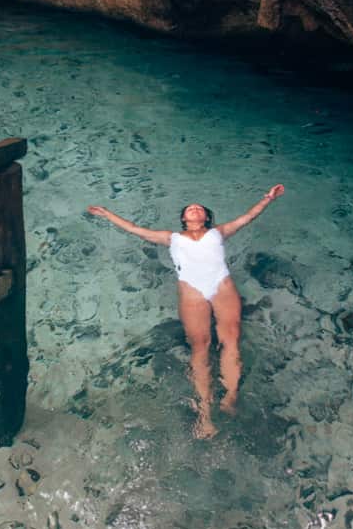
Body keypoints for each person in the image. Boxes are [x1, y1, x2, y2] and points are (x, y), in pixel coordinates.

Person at [87, 185, 285, 438]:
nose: (195, 208)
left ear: (206, 218)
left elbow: (247, 218)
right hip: (192, 292)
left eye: (199, 208)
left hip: (222, 286)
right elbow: (136, 230)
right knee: (200, 346)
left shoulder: (218, 232)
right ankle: (204, 414)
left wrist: (267, 199)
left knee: (231, 340)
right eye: (190, 208)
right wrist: (107, 214)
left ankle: (231, 396)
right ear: (183, 218)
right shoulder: (171, 238)